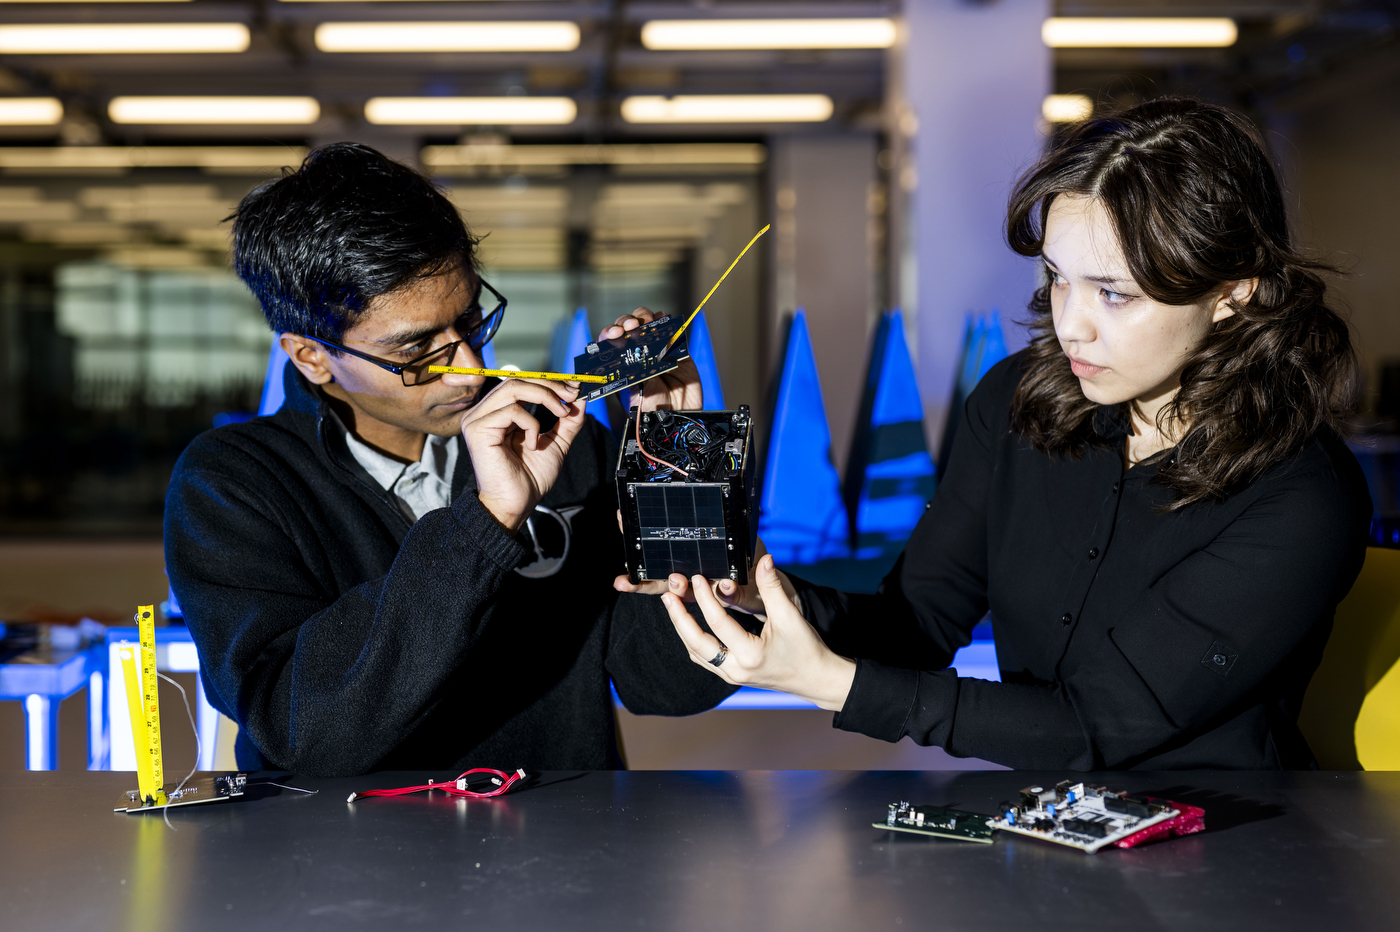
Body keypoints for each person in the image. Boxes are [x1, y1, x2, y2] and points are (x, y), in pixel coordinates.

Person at [648, 98, 1373, 770]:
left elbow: (1102, 724)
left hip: (1230, 856)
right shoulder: (1018, 403)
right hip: (1050, 831)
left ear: (1231, 295)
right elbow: (917, 622)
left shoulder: (1302, 498)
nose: (1071, 324)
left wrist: (834, 684)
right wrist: (771, 598)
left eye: (1113, 293)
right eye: (1059, 278)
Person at [164, 142, 734, 776]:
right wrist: (488, 523)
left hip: (558, 852)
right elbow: (304, 732)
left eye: (470, 321)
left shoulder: (556, 443)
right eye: (416, 352)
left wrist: (680, 460)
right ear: (310, 355)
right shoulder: (235, 483)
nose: (468, 371)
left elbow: (679, 683)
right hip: (340, 862)